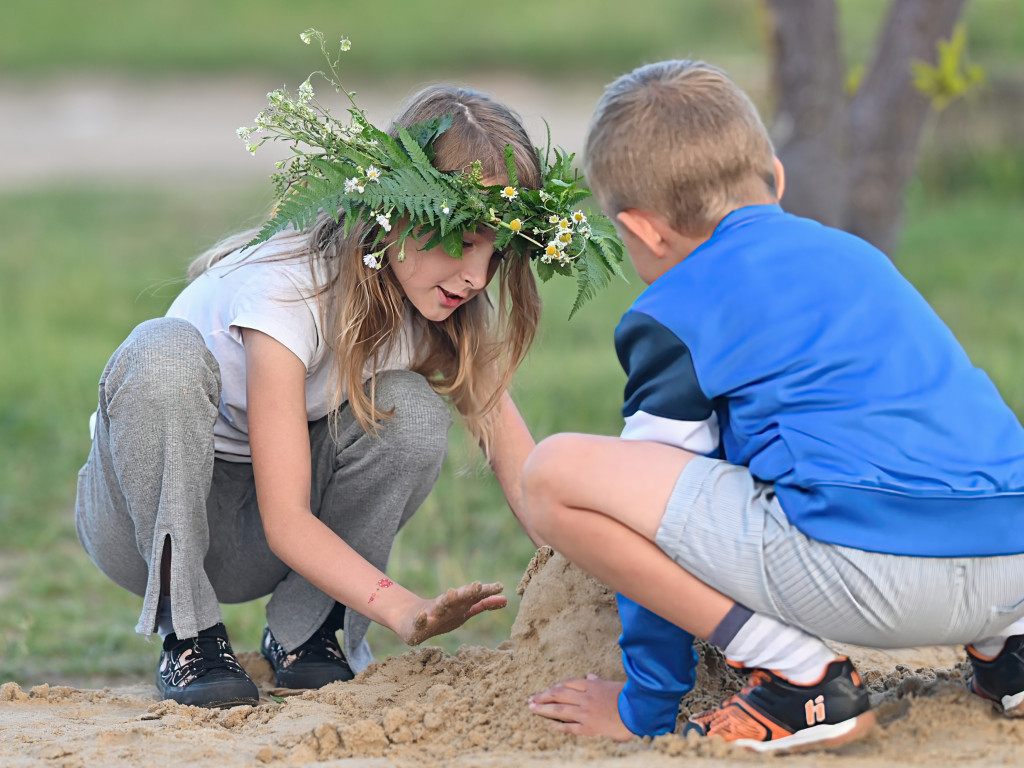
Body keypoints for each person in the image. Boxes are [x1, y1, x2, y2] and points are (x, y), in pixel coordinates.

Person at [74, 46, 625, 710]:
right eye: (461, 239)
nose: (478, 277)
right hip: (146, 522)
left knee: (412, 411)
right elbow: (286, 520)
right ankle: (188, 635)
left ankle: (313, 635)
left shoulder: (438, 307)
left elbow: (521, 465)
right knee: (163, 352)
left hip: (259, 538)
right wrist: (405, 610)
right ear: (394, 214)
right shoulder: (286, 293)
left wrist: (597, 584)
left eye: (496, 248)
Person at [521, 59, 1024, 753]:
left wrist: (648, 702)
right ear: (777, 180)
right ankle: (1010, 658)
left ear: (643, 230)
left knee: (557, 476)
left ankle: (800, 679)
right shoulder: (859, 258)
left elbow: (647, 517)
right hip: (1011, 561)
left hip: (869, 580)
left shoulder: (675, 308)